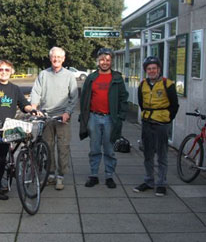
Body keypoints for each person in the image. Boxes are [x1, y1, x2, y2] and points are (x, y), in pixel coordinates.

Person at [0, 59, 35, 206]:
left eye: (7, 70)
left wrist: (32, 109)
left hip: (5, 130)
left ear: (12, 72)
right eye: (1, 69)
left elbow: (23, 104)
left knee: (0, 161)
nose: (3, 72)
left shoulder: (14, 89)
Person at [79, 48, 128, 189]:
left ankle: (109, 176)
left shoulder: (117, 78)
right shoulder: (91, 78)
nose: (104, 62)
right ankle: (93, 175)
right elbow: (84, 99)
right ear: (97, 61)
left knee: (109, 149)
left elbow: (123, 98)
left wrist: (121, 116)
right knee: (94, 148)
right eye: (102, 59)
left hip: (110, 119)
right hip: (94, 117)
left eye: (107, 60)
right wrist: (84, 117)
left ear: (111, 61)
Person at [30, 46, 78, 190]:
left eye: (59, 57)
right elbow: (36, 92)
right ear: (50, 58)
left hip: (63, 117)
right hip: (46, 116)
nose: (56, 59)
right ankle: (50, 173)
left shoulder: (69, 76)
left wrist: (67, 112)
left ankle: (61, 176)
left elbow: (74, 96)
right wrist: (33, 107)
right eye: (54, 56)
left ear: (63, 59)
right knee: (47, 147)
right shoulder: (43, 74)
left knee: (63, 147)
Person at [133, 56, 179, 196]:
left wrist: (167, 118)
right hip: (147, 122)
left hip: (161, 124)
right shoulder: (142, 85)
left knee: (162, 154)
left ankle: (161, 183)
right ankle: (149, 181)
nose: (152, 71)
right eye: (149, 69)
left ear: (158, 69)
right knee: (147, 154)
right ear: (146, 70)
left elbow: (174, 105)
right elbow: (141, 103)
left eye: (154, 68)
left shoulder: (168, 84)